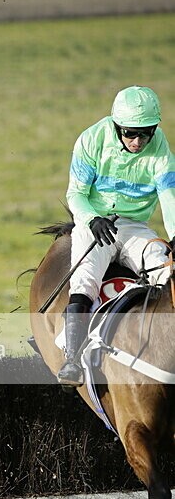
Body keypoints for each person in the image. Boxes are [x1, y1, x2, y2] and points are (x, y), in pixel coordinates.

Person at [57, 85, 175, 388]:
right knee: (86, 277)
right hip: (96, 224)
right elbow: (76, 193)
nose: (138, 142)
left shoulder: (161, 151)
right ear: (116, 125)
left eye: (146, 134)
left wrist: (174, 238)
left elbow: (169, 197)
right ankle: (72, 358)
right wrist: (91, 219)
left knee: (163, 266)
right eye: (130, 134)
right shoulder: (91, 140)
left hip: (135, 226)